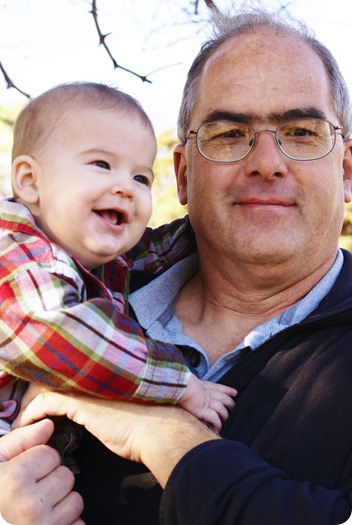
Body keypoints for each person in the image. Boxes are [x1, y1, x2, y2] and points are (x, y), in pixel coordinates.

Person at [2, 5, 352, 525]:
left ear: (346, 172)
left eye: (301, 131)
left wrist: (166, 436)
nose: (266, 161)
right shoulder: (84, 285)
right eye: (228, 134)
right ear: (184, 176)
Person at [0, 82, 236, 444]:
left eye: (140, 177)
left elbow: (159, 249)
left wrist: (228, 213)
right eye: (101, 164)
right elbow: (62, 334)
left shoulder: (97, 258)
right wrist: (179, 382)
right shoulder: (15, 254)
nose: (126, 186)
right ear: (31, 182)